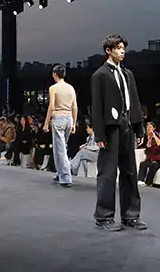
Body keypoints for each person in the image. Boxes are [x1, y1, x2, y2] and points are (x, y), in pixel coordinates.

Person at [91, 34, 146, 232]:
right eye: (118, 48)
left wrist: (139, 128)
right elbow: (97, 107)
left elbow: (135, 102)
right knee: (108, 173)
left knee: (130, 171)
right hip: (110, 129)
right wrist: (99, 135)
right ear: (108, 50)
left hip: (128, 126)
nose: (122, 51)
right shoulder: (99, 75)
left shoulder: (128, 74)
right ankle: (104, 217)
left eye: (124, 48)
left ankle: (131, 216)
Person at [44, 64, 78, 187]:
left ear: (55, 74)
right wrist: (74, 123)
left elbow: (52, 106)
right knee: (61, 148)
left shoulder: (53, 88)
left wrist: (46, 123)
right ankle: (60, 173)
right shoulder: (71, 88)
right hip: (69, 119)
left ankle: (66, 178)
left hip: (58, 119)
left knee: (60, 149)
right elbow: (75, 107)